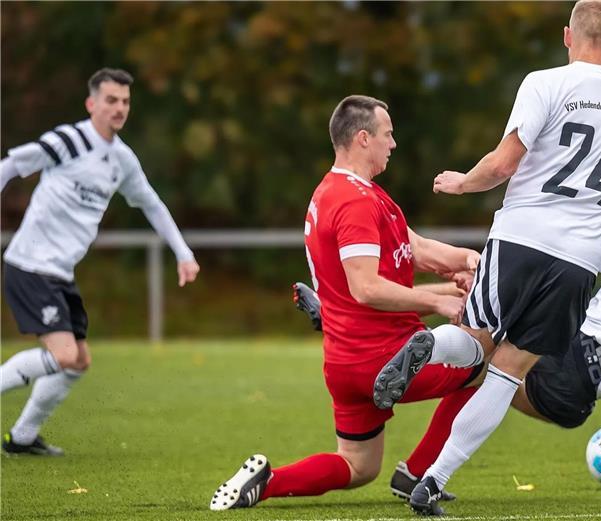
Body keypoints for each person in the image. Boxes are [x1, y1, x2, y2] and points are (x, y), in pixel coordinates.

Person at [371, 0, 601, 513]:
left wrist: (461, 183)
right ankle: (433, 480)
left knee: (475, 340)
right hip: (579, 262)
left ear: (567, 36)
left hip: (521, 238)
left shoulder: (544, 83)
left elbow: (503, 165)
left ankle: (428, 344)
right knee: (509, 371)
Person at [299, 220, 601, 515]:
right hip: (577, 383)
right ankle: (426, 476)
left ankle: (369, 333)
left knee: (480, 343)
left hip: (568, 331)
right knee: (487, 370)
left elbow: (586, 251)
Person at [209, 95, 488, 511]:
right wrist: (441, 301)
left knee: (359, 466)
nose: (393, 144)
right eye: (387, 134)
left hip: (344, 361)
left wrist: (468, 262)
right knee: (487, 363)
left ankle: (266, 482)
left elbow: (416, 248)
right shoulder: (355, 201)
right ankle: (418, 473)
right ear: (363, 138)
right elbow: (366, 289)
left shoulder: (342, 192)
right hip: (385, 357)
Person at [1, 68, 200, 455]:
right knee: (63, 355)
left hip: (60, 273)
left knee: (77, 363)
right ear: (91, 103)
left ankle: (23, 438)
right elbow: (10, 165)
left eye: (125, 101)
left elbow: (151, 203)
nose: (119, 108)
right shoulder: (68, 140)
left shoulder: (121, 159)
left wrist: (183, 252)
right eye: (111, 100)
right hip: (29, 265)